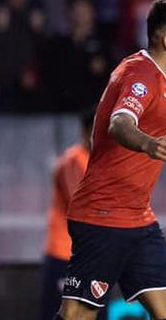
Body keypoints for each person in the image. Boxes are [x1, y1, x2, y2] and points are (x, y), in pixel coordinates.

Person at [55, 0, 166, 320]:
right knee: (77, 315)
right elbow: (119, 123)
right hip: (104, 214)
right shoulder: (142, 75)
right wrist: (150, 146)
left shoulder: (160, 79)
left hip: (138, 218)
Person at [39, 111, 94, 320]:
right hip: (65, 253)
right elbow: (79, 205)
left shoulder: (98, 161)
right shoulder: (73, 160)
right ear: (85, 132)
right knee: (62, 313)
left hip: (88, 254)